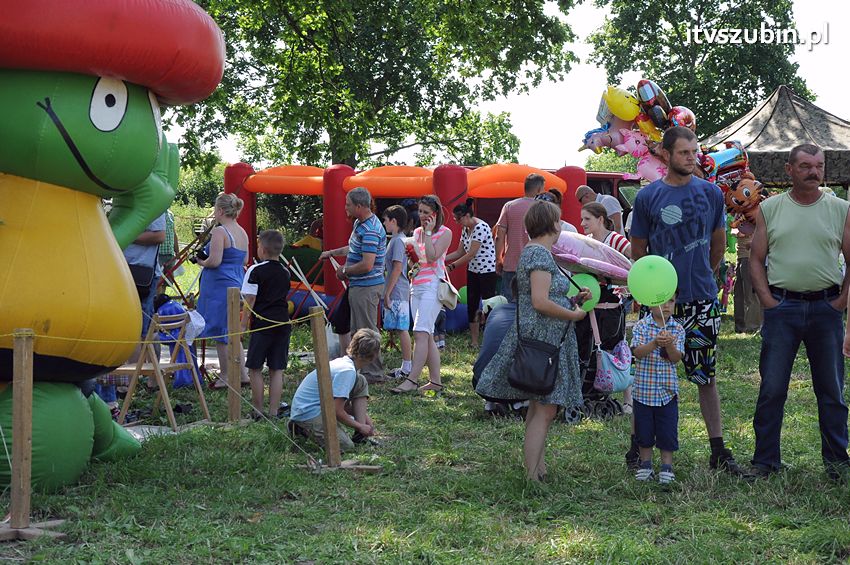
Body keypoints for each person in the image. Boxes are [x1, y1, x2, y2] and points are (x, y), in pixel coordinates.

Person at [629, 126, 747, 476]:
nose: (691, 157)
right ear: (665, 155)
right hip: (659, 304)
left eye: (694, 152)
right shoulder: (647, 198)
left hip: (701, 302)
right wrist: (655, 295)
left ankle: (718, 451)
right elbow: (639, 252)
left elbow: (717, 243)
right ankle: (638, 450)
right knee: (648, 374)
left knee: (704, 375)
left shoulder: (711, 194)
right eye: (683, 153)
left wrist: (701, 276)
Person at [752, 144, 850, 480]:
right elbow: (755, 258)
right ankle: (765, 461)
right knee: (773, 388)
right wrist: (767, 299)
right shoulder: (770, 208)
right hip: (783, 308)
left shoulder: (841, 209)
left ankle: (837, 462)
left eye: (819, 166)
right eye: (806, 165)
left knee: (832, 390)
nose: (814, 172)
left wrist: (841, 301)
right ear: (789, 170)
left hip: (826, 309)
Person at [475, 201, 590, 481]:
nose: (562, 225)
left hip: (545, 338)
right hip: (543, 341)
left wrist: (573, 299)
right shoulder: (539, 254)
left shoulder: (537, 253)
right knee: (546, 409)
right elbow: (539, 302)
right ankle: (532, 476)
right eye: (559, 220)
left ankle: (536, 468)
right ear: (551, 224)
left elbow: (542, 296)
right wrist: (573, 314)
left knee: (540, 407)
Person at [319, 187, 387, 383]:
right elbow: (354, 247)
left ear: (359, 206)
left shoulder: (372, 229)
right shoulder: (360, 224)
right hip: (357, 285)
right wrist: (332, 252)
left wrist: (345, 271)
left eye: (348, 204)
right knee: (349, 324)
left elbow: (367, 264)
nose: (345, 207)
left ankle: (374, 373)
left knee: (366, 330)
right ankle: (353, 364)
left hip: (367, 287)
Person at [390, 194, 453, 394]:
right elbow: (416, 264)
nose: (423, 215)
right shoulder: (415, 232)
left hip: (433, 286)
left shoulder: (445, 232)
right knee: (426, 333)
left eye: (427, 212)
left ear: (435, 214)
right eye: (420, 211)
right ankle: (435, 381)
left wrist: (427, 232)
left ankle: (412, 379)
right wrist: (412, 257)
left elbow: (434, 257)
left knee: (420, 332)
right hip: (416, 285)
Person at [577, 202, 633, 412]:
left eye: (587, 219)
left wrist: (623, 281)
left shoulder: (615, 239)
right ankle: (592, 389)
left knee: (617, 348)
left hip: (611, 306)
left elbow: (632, 257)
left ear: (601, 219)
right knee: (591, 349)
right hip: (591, 307)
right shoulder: (587, 242)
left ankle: (628, 399)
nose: (582, 223)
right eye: (582, 219)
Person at [288, 329, 380, 452]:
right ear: (373, 356)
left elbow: (343, 406)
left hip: (317, 407)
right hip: (308, 413)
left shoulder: (346, 364)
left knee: (361, 381)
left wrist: (366, 422)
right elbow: (337, 410)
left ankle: (360, 436)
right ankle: (299, 428)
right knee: (345, 446)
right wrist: (360, 426)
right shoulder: (347, 372)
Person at [195, 193, 250, 389]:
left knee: (221, 332)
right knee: (232, 329)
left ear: (219, 211)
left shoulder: (220, 232)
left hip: (219, 285)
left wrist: (201, 261)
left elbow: (215, 261)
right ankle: (242, 374)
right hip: (237, 281)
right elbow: (244, 261)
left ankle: (226, 375)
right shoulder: (242, 232)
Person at [630, 295, 686, 484]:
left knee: (667, 430)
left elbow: (676, 358)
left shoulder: (677, 329)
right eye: (662, 302)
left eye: (671, 301)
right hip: (643, 392)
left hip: (667, 392)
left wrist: (669, 344)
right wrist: (654, 343)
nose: (666, 306)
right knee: (644, 431)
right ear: (650, 304)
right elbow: (637, 353)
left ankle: (666, 467)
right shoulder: (641, 327)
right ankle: (646, 465)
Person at [241, 229, 292, 420]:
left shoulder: (255, 270)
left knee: (254, 367)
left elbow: (250, 299)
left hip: (263, 324)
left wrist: (243, 324)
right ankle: (273, 410)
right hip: (282, 322)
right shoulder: (285, 272)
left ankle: (257, 409)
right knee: (276, 369)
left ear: (261, 249)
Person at [446, 198, 498, 347]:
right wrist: (441, 258)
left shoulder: (480, 227)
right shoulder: (465, 228)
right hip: (473, 270)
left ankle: (490, 340)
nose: (456, 222)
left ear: (467, 216)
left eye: (458, 219)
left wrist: (451, 267)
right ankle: (474, 341)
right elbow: (460, 251)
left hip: (487, 271)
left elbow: (471, 254)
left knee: (489, 305)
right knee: (472, 304)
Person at [495, 173, 546, 301]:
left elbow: (499, 235)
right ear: (539, 189)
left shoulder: (509, 206)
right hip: (536, 264)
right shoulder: (543, 208)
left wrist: (498, 259)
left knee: (507, 303)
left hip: (511, 264)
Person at [381, 205, 413, 380]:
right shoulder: (397, 240)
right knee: (400, 328)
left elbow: (397, 267)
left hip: (398, 290)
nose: (384, 223)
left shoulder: (398, 241)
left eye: (386, 220)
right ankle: (406, 365)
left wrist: (387, 292)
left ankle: (407, 367)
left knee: (402, 329)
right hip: (396, 289)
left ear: (394, 221)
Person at [732, 229, 762, 333]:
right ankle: (740, 326)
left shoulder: (751, 214)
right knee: (738, 294)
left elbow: (743, 232)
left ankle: (753, 326)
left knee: (750, 294)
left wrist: (737, 232)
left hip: (749, 257)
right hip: (740, 257)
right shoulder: (739, 215)